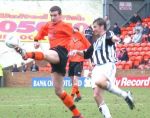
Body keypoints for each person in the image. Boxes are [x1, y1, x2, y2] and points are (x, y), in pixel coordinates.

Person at [13, 6, 83, 118]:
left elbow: (79, 36)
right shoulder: (48, 25)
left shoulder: (66, 26)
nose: (53, 17)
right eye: (51, 15)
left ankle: (26, 54)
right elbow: (40, 33)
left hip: (61, 52)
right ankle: (78, 115)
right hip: (54, 54)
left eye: (55, 15)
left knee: (45, 54)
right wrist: (36, 40)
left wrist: (85, 49)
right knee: (59, 91)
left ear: (60, 15)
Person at [69, 18, 135, 118]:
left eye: (95, 26)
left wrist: (117, 39)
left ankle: (125, 95)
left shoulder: (108, 34)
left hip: (108, 65)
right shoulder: (95, 42)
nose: (93, 29)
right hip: (97, 68)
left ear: (101, 27)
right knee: (96, 95)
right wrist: (76, 51)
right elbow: (86, 54)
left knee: (100, 82)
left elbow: (112, 38)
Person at [68, 27, 91, 102]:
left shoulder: (83, 40)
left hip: (79, 62)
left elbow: (88, 53)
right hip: (71, 62)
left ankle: (71, 98)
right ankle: (78, 96)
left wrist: (89, 64)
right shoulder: (70, 40)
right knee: (72, 81)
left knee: (75, 80)